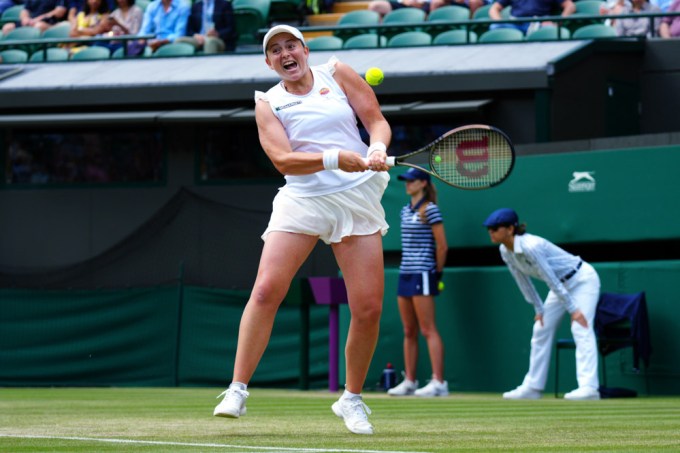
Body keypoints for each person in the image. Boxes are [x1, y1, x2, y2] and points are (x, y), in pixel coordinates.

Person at [212, 25, 391, 435]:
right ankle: (237, 389)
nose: (285, 53)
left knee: (367, 307)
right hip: (303, 200)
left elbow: (376, 121)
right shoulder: (267, 103)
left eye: (290, 45)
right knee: (265, 290)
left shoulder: (338, 72)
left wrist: (376, 148)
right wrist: (333, 158)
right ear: (269, 62)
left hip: (357, 197)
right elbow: (282, 159)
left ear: (305, 50)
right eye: (275, 50)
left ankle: (352, 399)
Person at [484, 208, 601, 401]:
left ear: (510, 229)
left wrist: (574, 310)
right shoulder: (505, 250)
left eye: (495, 228)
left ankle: (589, 388)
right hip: (560, 286)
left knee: (580, 327)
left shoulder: (531, 246)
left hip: (582, 280)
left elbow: (550, 278)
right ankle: (533, 387)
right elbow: (522, 281)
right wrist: (538, 308)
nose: (491, 231)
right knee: (541, 328)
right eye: (489, 228)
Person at [387, 168, 449, 397]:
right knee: (409, 329)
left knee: (427, 329)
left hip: (424, 273)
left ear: (423, 183)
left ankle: (439, 382)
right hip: (405, 273)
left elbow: (442, 246)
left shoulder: (431, 210)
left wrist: (436, 273)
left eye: (411, 181)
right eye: (406, 181)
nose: (407, 184)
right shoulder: (405, 210)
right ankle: (410, 381)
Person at [488, 0, 575, 34]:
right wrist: (499, 21)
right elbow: (494, 8)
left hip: (538, 24)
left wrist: (558, 23)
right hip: (515, 24)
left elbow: (570, 6)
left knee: (550, 29)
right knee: (495, 26)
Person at [2, 0, 67, 35]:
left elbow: (60, 11)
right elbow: (25, 10)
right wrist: (25, 19)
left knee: (38, 26)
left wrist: (39, 18)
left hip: (49, 22)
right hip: (31, 21)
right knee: (7, 27)